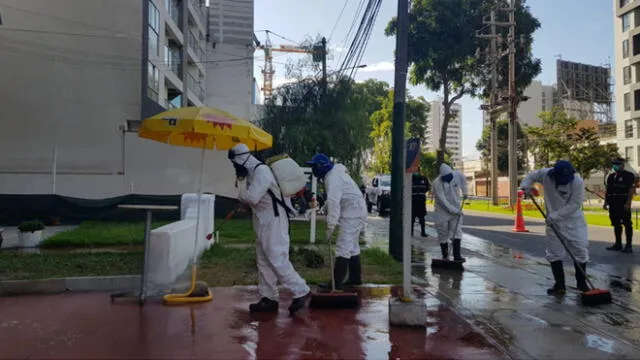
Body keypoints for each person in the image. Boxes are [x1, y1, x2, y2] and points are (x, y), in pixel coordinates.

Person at [228, 143, 310, 314]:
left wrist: (241, 187)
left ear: (242, 160)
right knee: (263, 261)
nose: (234, 167)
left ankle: (301, 290)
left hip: (274, 221)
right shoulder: (252, 173)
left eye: (235, 163)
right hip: (263, 221)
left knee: (277, 258)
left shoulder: (261, 172)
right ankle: (268, 297)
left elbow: (252, 198)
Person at [520, 160, 589, 295]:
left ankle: (582, 283)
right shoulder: (546, 174)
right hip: (553, 224)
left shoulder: (577, 182)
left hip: (573, 223)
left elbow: (575, 204)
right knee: (554, 253)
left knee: (580, 251)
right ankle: (559, 285)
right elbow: (531, 176)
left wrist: (555, 216)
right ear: (554, 174)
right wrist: (525, 187)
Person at [306, 153, 367, 289]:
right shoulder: (334, 175)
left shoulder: (333, 178)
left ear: (322, 166)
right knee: (353, 247)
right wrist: (325, 208)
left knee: (343, 246)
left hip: (353, 212)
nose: (313, 170)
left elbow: (334, 202)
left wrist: (330, 225)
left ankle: (335, 284)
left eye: (314, 166)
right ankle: (354, 279)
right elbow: (333, 200)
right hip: (355, 210)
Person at [432, 164, 468, 262]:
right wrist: (455, 211)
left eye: (449, 177)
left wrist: (465, 192)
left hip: (456, 207)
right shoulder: (437, 183)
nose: (447, 180)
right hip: (442, 211)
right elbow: (443, 201)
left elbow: (464, 182)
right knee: (442, 232)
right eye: (445, 178)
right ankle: (445, 256)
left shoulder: (458, 175)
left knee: (456, 231)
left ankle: (457, 256)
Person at [604, 158, 637, 253]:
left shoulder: (629, 176)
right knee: (616, 223)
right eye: (614, 165)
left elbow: (631, 190)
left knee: (627, 223)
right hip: (613, 202)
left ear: (622, 165)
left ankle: (628, 245)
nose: (615, 166)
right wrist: (606, 202)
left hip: (623, 202)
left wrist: (628, 203)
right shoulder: (611, 176)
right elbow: (608, 190)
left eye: (617, 164)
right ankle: (618, 244)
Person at [412, 172, 430, 237]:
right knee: (418, 218)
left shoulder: (423, 179)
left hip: (416, 201)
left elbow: (427, 187)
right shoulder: (411, 179)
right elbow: (427, 188)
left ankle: (421, 232)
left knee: (419, 218)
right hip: (417, 201)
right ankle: (422, 232)